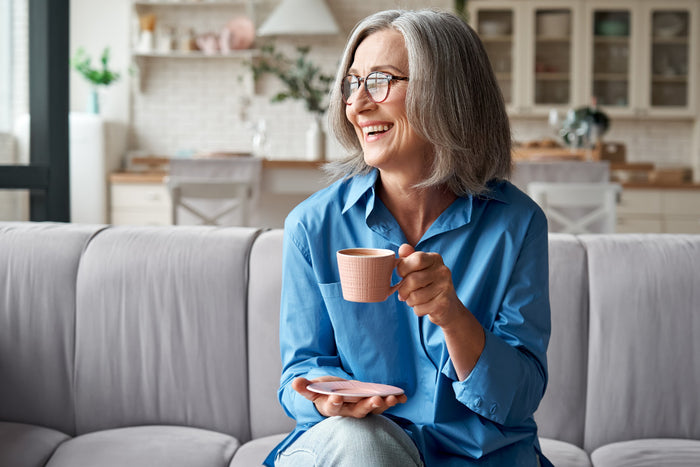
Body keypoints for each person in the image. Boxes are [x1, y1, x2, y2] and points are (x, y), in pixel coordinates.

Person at [264, 8, 552, 467]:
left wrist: (452, 316)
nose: (357, 105)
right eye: (352, 83)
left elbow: (518, 399)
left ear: (447, 93)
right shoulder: (312, 226)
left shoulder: (517, 226)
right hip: (355, 447)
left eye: (380, 80)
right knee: (364, 446)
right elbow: (299, 372)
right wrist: (325, 399)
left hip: (479, 457)